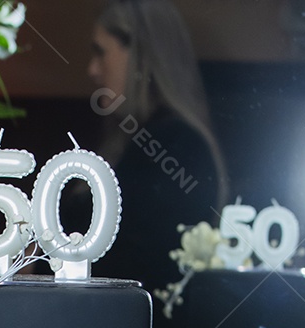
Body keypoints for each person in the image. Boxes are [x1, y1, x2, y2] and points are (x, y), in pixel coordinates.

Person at [77, 0, 227, 299]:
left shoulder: (176, 143)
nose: (93, 69)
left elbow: (143, 262)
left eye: (101, 52)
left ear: (138, 54)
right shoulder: (140, 139)